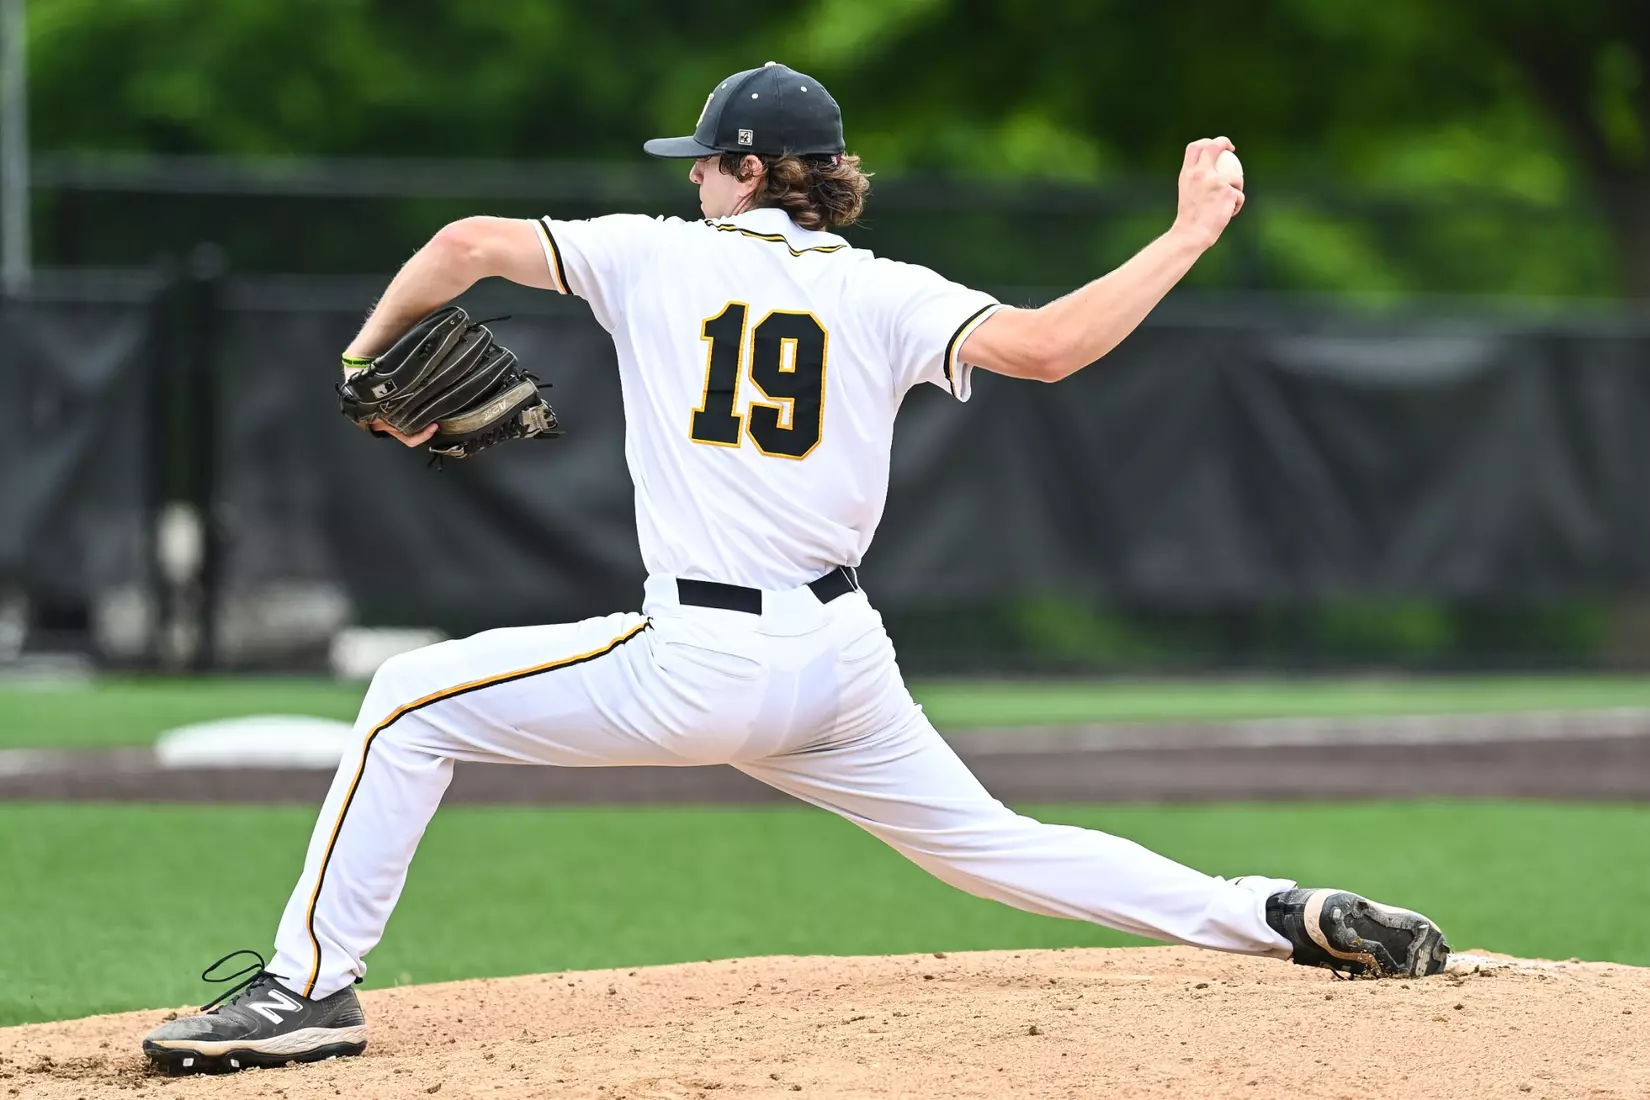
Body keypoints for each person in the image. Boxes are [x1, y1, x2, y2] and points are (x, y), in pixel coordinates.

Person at [143, 62, 1449, 1075]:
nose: (694, 184)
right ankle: (1273, 911)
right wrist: (1187, 233)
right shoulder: (884, 289)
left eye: (706, 164)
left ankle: (307, 990)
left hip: (699, 661)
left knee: (402, 703)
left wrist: (365, 363)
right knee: (997, 846)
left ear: (749, 169)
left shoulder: (654, 255)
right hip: (839, 663)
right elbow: (1051, 348)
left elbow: (463, 243)